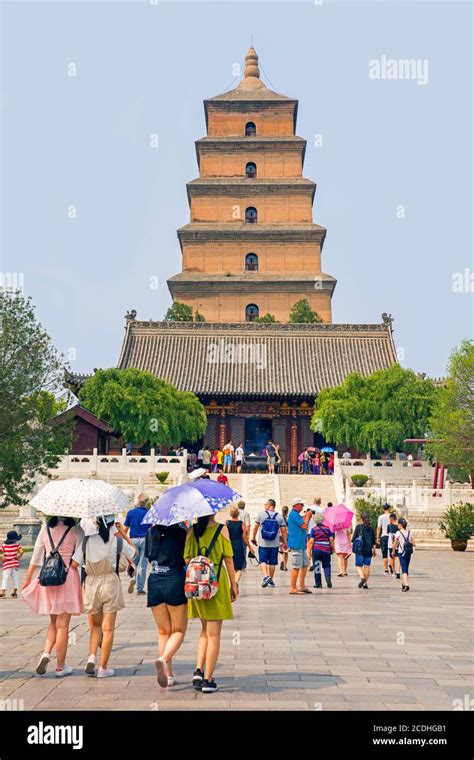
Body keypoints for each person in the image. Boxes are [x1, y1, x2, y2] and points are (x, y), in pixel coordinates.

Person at [73, 515, 136, 678]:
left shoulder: (87, 541)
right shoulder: (117, 541)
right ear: (111, 525)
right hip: (110, 582)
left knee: (95, 626)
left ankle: (92, 656)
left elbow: (74, 563)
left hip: (91, 582)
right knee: (108, 629)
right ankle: (103, 667)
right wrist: (123, 533)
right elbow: (133, 553)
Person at [22, 517, 84, 677]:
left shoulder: (45, 529)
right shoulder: (77, 530)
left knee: (53, 622)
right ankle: (60, 666)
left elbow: (36, 555)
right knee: (63, 625)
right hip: (67, 577)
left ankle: (46, 653)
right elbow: (77, 562)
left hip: (48, 576)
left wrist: (28, 578)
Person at [185, 514, 238, 693]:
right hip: (216, 582)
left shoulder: (192, 531)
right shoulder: (221, 529)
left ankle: (198, 671)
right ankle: (208, 680)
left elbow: (186, 558)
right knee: (214, 634)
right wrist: (234, 584)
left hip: (197, 585)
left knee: (204, 630)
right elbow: (229, 559)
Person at [145, 521, 188, 687]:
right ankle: (164, 659)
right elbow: (185, 558)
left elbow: (149, 556)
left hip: (155, 580)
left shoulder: (151, 532)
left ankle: (169, 675)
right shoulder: (180, 532)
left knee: (163, 631)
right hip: (174, 579)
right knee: (178, 630)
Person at [251, 499, 287, 588]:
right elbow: (284, 531)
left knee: (262, 561)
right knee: (272, 563)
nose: (265, 506)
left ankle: (266, 577)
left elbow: (255, 528)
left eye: (265, 504)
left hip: (263, 543)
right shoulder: (279, 517)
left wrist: (253, 538)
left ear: (269, 505)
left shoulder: (261, 514)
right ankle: (270, 580)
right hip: (274, 544)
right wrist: (285, 542)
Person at [124, 493, 150, 595]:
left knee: (132, 562)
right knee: (143, 565)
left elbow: (125, 529)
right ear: (146, 502)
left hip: (133, 540)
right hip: (145, 540)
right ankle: (140, 589)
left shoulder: (130, 513)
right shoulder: (148, 513)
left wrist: (123, 541)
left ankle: (131, 577)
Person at [287, 499, 313, 595]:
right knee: (296, 566)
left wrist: (306, 515)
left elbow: (302, 520)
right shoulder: (293, 514)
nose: (302, 506)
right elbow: (304, 526)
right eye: (301, 505)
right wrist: (308, 516)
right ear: (296, 505)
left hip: (301, 545)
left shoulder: (296, 515)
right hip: (296, 544)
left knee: (305, 564)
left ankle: (301, 585)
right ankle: (293, 587)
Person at [308, 512, 335, 588]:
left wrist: (309, 551)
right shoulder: (327, 528)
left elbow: (311, 541)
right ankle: (328, 578)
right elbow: (331, 539)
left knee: (317, 566)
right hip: (326, 550)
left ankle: (318, 584)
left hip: (316, 550)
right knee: (327, 565)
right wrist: (333, 549)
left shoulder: (313, 529)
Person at [351, 513, 376, 589]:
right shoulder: (371, 529)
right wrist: (374, 550)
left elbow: (354, 538)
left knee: (358, 566)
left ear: (361, 519)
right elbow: (373, 541)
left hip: (359, 550)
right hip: (368, 550)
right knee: (367, 566)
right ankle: (365, 583)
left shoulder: (358, 527)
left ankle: (362, 578)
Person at [392, 518, 416, 592]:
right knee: (406, 568)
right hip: (408, 553)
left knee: (404, 569)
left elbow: (395, 544)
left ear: (400, 525)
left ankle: (406, 585)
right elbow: (414, 543)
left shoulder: (398, 533)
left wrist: (393, 551)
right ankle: (403, 584)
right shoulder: (410, 532)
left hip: (401, 552)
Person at [226, 505, 249, 583]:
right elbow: (244, 537)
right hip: (239, 546)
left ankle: (232, 582)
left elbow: (226, 536)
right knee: (239, 568)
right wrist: (250, 547)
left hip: (229, 547)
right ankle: (235, 582)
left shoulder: (227, 523)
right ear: (238, 514)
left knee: (231, 567)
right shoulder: (241, 523)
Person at [0, 530, 24, 598]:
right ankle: (15, 592)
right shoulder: (17, 545)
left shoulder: (4, 546)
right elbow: (22, 551)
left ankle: (3, 592)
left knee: (5, 578)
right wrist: (18, 557)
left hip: (7, 564)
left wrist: (2, 557)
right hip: (15, 564)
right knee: (15, 578)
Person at [376, 503, 392, 575]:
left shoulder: (381, 517)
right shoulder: (392, 516)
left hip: (384, 536)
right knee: (392, 553)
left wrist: (378, 537)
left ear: (383, 509)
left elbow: (379, 527)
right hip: (391, 536)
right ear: (389, 508)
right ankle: (392, 567)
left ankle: (386, 570)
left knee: (384, 553)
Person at [387, 512, 400, 577]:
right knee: (398, 557)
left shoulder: (389, 526)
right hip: (398, 544)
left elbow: (388, 534)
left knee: (392, 558)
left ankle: (393, 572)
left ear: (391, 519)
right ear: (396, 519)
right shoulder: (399, 526)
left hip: (390, 545)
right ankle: (398, 571)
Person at [279, 506, 290, 571]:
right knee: (286, 551)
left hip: (280, 535)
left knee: (281, 550)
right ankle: (285, 566)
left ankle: (282, 560)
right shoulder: (288, 518)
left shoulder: (280, 517)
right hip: (287, 535)